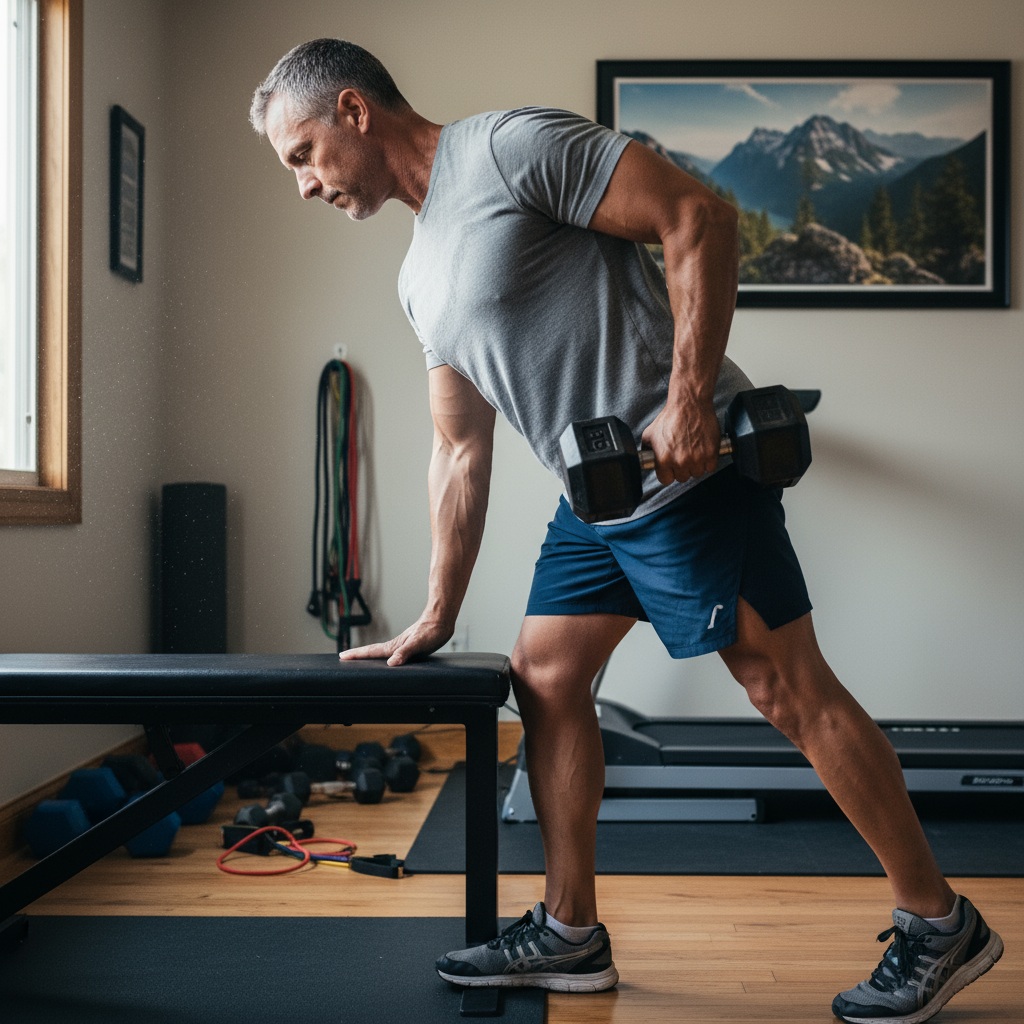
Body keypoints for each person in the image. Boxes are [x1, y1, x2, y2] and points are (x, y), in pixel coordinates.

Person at [249, 38, 1003, 1022]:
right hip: (596, 499)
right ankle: (570, 934)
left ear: (352, 111)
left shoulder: (508, 150)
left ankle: (937, 920)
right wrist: (435, 609)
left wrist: (689, 402)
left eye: (301, 154)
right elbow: (460, 450)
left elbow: (698, 215)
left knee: (786, 686)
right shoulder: (418, 273)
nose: (303, 185)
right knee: (548, 673)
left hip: (691, 478)